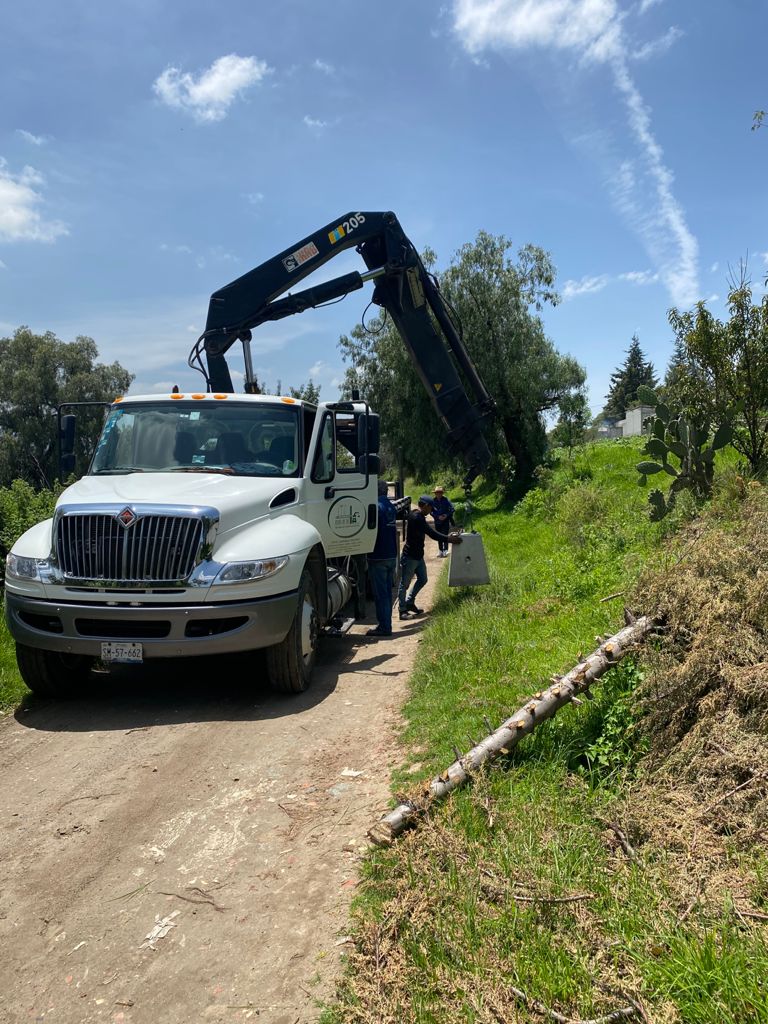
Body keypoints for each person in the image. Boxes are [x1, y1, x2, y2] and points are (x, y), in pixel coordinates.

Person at [398, 495, 462, 619]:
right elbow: (431, 533)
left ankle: (409, 602)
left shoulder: (417, 514)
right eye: (431, 507)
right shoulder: (417, 518)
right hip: (410, 556)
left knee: (423, 579)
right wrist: (449, 539)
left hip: (418, 555)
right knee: (404, 584)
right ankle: (402, 610)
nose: (431, 510)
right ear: (426, 506)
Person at [366, 480, 398, 637]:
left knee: (381, 595)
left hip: (378, 555)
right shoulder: (391, 506)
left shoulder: (375, 507)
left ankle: (384, 627)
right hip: (391, 554)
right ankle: (387, 624)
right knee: (387, 593)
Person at [430, 485, 455, 557]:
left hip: (445, 521)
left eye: (440, 492)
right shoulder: (432, 501)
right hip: (437, 521)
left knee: (445, 535)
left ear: (442, 493)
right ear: (435, 493)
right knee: (438, 536)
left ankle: (446, 550)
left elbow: (452, 509)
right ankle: (440, 550)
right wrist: (437, 516)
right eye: (437, 493)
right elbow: (431, 511)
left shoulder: (446, 500)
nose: (439, 494)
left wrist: (446, 515)